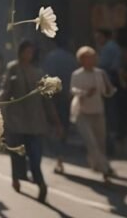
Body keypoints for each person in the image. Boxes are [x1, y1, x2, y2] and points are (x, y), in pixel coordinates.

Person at [0, 39, 61, 202]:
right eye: (26, 51)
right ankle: (16, 178)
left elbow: (47, 99)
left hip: (35, 122)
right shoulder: (13, 68)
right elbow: (4, 90)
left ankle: (41, 183)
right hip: (16, 121)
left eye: (31, 52)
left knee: (35, 156)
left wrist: (55, 120)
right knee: (16, 155)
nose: (28, 54)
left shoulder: (38, 72)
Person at [71, 46, 117, 182]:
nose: (92, 60)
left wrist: (109, 88)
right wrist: (85, 93)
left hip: (98, 111)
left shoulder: (100, 73)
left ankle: (98, 165)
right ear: (82, 60)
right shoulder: (77, 74)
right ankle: (105, 168)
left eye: (93, 57)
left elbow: (107, 92)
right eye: (89, 58)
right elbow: (73, 90)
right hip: (82, 112)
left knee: (100, 142)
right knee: (91, 142)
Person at [42, 37, 78, 173]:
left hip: (54, 97)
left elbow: (45, 77)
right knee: (64, 125)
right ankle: (60, 153)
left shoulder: (50, 58)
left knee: (54, 125)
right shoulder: (72, 59)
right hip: (67, 97)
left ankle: (58, 156)